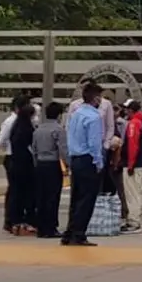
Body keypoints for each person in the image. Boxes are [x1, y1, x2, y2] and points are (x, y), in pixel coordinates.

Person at [61, 82, 106, 247]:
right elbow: (94, 143)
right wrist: (99, 162)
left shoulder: (76, 114)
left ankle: (69, 232)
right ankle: (79, 234)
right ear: (95, 98)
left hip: (76, 158)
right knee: (87, 199)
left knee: (76, 198)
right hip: (88, 159)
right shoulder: (94, 117)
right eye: (100, 97)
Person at [32, 102, 68, 238]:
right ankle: (51, 227)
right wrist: (68, 164)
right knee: (53, 197)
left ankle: (41, 227)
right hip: (52, 165)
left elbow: (34, 150)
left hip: (40, 164)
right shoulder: (59, 130)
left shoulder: (38, 130)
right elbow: (63, 150)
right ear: (59, 115)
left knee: (41, 196)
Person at [117, 100, 142, 234]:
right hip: (139, 163)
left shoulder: (134, 124)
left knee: (132, 194)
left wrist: (130, 164)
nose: (125, 111)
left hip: (134, 164)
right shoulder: (141, 121)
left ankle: (134, 222)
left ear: (130, 110)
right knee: (134, 192)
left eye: (126, 109)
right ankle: (133, 220)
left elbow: (133, 145)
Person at [7, 103, 37, 236]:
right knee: (28, 194)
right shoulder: (28, 130)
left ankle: (14, 222)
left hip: (14, 163)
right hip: (25, 166)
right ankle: (27, 221)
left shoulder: (16, 128)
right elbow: (31, 148)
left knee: (15, 194)